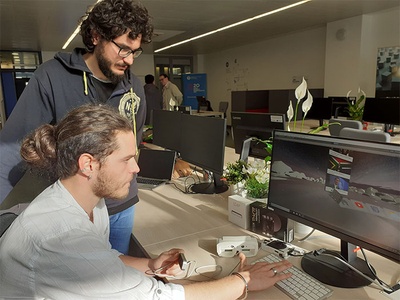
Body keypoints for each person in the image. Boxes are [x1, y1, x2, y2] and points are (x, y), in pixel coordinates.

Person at [0, 105, 292, 299]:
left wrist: (151, 264)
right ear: (88, 164)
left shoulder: (87, 202)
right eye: (127, 160)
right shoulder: (61, 236)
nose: (136, 169)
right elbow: (157, 297)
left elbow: (104, 259)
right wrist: (243, 281)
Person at [0, 0, 153, 255]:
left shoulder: (134, 87)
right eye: (123, 49)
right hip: (73, 208)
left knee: (116, 276)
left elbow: (132, 145)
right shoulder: (51, 77)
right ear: (95, 37)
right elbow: (11, 147)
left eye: (135, 52)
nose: (129, 60)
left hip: (121, 205)